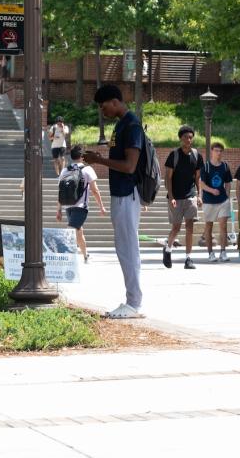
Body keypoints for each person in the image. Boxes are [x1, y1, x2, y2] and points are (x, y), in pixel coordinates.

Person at [83, 85, 144, 319]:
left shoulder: (132, 125)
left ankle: (134, 303)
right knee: (124, 248)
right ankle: (132, 300)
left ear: (115, 101)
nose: (102, 110)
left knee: (128, 248)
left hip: (128, 193)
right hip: (120, 194)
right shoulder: (121, 125)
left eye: (103, 105)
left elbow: (130, 166)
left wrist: (100, 160)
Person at [56, 145, 105, 264]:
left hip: (68, 206)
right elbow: (94, 190)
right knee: (74, 231)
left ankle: (85, 256)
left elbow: (61, 191)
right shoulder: (87, 169)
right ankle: (62, 257)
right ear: (82, 157)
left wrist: (59, 210)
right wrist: (101, 206)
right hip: (81, 207)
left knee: (76, 230)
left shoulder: (65, 170)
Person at [163, 125, 203, 270]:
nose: (189, 140)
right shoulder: (174, 155)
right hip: (176, 197)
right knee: (176, 228)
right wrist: (171, 196)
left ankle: (188, 258)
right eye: (186, 137)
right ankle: (168, 249)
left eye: (191, 137)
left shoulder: (196, 155)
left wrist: (199, 195)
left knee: (190, 226)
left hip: (190, 195)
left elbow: (198, 177)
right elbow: (168, 177)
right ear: (180, 138)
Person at [200, 142, 233, 262]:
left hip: (223, 201)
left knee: (223, 226)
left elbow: (228, 182)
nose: (218, 153)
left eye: (220, 151)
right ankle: (210, 253)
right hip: (209, 201)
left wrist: (227, 196)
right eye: (216, 150)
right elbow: (201, 184)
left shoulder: (225, 166)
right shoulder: (206, 166)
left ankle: (223, 252)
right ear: (212, 151)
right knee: (209, 227)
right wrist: (211, 190)